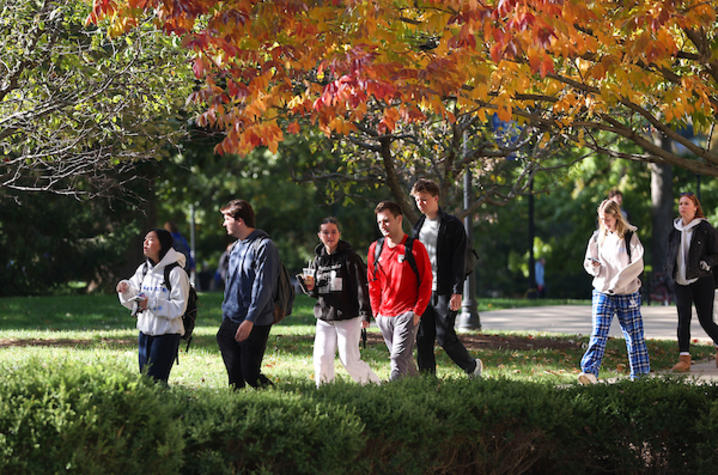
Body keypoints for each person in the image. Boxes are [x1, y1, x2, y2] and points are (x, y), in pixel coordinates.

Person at [410, 179, 483, 377]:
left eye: (424, 200)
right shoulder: (418, 227)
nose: (420, 204)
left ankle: (472, 367)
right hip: (424, 291)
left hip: (445, 289)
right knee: (423, 338)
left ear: (436, 198)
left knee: (444, 336)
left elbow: (459, 261)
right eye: (417, 200)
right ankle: (427, 380)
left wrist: (457, 291)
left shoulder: (452, 225)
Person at [301, 217, 381, 387]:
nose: (330, 236)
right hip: (325, 317)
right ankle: (325, 389)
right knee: (321, 357)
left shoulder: (350, 258)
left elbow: (361, 286)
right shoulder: (317, 260)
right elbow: (316, 292)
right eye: (325, 232)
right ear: (319, 235)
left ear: (339, 234)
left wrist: (365, 313)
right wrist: (308, 287)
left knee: (349, 359)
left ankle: (374, 385)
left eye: (333, 232)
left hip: (348, 317)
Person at [579, 199, 650, 384]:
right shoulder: (597, 237)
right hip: (602, 291)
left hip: (627, 293)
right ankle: (589, 372)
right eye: (602, 219)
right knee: (598, 332)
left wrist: (618, 282)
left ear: (616, 217)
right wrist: (593, 266)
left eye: (608, 219)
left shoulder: (629, 236)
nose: (605, 223)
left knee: (634, 335)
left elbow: (638, 264)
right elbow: (588, 261)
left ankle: (641, 377)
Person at [217, 199, 279, 389]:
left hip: (256, 320)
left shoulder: (264, 246)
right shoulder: (236, 247)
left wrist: (250, 319)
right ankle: (236, 404)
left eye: (226, 218)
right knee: (234, 374)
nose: (223, 223)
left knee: (250, 373)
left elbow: (264, 286)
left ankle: (275, 397)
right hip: (232, 316)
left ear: (239, 220)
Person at [367, 201, 432, 381]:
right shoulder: (375, 249)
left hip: (407, 314)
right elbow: (373, 282)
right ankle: (419, 388)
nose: (383, 226)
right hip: (384, 316)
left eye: (387, 221)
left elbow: (426, 282)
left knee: (397, 358)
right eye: (379, 222)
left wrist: (417, 312)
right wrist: (376, 312)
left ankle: (392, 396)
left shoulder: (415, 247)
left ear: (399, 219)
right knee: (404, 358)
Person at [116, 228, 189, 383]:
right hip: (145, 333)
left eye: (151, 239)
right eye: (145, 239)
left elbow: (179, 307)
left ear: (162, 245)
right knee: (146, 381)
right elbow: (133, 299)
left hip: (167, 335)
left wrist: (151, 303)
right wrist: (125, 289)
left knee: (157, 382)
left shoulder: (176, 272)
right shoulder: (143, 270)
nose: (145, 243)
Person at [666, 192, 718, 372]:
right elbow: (670, 254)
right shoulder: (675, 229)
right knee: (683, 320)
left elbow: (715, 253)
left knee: (706, 320)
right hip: (680, 281)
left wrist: (707, 263)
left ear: (695, 207)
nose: (682, 207)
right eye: (680, 203)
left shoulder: (705, 228)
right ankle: (684, 358)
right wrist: (669, 273)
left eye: (686, 203)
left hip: (702, 280)